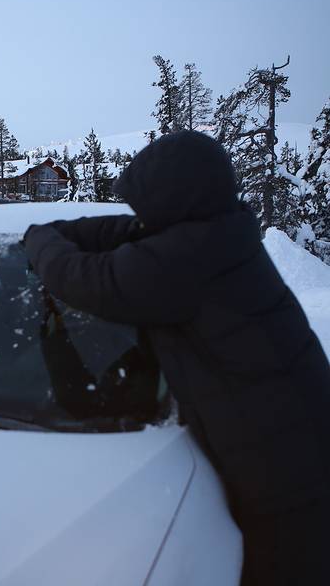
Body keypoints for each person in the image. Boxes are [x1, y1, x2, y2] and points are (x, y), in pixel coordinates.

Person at [23, 130, 330, 586]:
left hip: (287, 473)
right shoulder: (219, 234)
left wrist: (37, 240)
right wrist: (61, 232)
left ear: (175, 199)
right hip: (300, 434)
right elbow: (125, 232)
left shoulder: (184, 262)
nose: (140, 216)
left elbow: (84, 279)